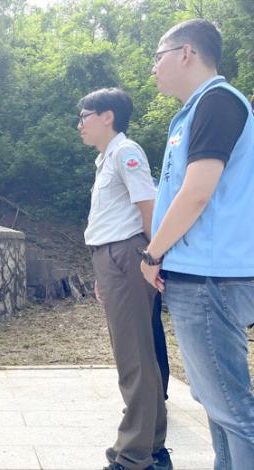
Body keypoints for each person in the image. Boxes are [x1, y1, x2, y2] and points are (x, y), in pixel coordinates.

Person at [142, 18, 254, 468]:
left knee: (232, 408)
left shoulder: (218, 102)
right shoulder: (193, 110)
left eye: (158, 57)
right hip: (200, 273)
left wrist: (152, 254)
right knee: (216, 403)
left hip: (212, 276)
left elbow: (197, 192)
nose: (153, 68)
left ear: (186, 52)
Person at [78, 88, 171, 470]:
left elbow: (148, 208)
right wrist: (105, 270)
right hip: (113, 258)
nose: (80, 124)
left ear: (108, 116)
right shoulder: (107, 159)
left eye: (85, 116)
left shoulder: (126, 152)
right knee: (136, 355)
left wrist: (152, 257)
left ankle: (134, 454)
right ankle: (151, 446)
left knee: (134, 358)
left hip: (128, 255)